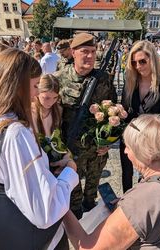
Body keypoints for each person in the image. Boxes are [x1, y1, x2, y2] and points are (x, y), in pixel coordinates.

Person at [0, 48, 79, 249]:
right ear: (17, 86)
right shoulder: (16, 132)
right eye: (35, 85)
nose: (37, 93)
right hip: (37, 239)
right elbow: (45, 211)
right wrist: (70, 171)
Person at [63, 114, 160, 249]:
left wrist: (61, 207)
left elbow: (88, 248)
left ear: (145, 153)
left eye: (128, 146)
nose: (126, 152)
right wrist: (127, 209)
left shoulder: (140, 202)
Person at [54, 33, 117, 219]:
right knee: (72, 192)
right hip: (70, 150)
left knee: (92, 190)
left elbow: (113, 111)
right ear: (73, 52)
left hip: (96, 149)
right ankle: (76, 225)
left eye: (92, 51)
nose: (90, 56)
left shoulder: (104, 78)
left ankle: (91, 214)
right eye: (84, 52)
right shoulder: (59, 79)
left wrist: (108, 141)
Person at [120, 40, 160, 193]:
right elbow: (125, 111)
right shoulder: (130, 82)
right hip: (129, 136)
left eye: (142, 61)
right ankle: (127, 200)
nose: (138, 66)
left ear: (153, 60)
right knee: (126, 173)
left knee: (146, 177)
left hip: (151, 141)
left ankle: (143, 203)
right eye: (134, 62)